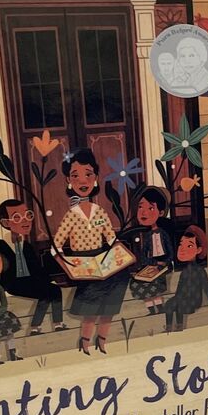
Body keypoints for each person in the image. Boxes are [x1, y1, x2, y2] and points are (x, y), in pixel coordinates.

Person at [52, 148, 129, 355]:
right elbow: (56, 245)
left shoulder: (99, 211)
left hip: (103, 260)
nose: (82, 180)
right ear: (69, 180)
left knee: (109, 306)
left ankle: (102, 341)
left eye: (88, 174)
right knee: (90, 310)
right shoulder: (71, 215)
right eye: (76, 176)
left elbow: (111, 237)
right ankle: (85, 343)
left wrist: (120, 253)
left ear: (95, 178)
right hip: (83, 264)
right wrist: (68, 264)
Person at [0, 199, 67, 334]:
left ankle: (58, 324)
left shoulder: (27, 246)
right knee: (45, 294)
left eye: (28, 215)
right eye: (17, 217)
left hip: (29, 281)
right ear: (5, 223)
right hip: (12, 284)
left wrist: (48, 280)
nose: (25, 221)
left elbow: (36, 268)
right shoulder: (0, 245)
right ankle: (35, 327)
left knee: (54, 290)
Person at [123, 187, 173, 315]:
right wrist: (146, 265)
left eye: (150, 208)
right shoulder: (146, 235)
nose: (144, 212)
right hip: (150, 265)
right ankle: (151, 309)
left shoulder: (163, 233)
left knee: (156, 288)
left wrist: (165, 262)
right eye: (140, 207)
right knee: (141, 285)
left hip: (162, 265)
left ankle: (160, 308)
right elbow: (145, 252)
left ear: (161, 213)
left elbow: (169, 250)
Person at [165, 225, 208, 333]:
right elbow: (180, 285)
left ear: (198, 250)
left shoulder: (199, 270)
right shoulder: (184, 271)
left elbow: (206, 285)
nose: (182, 249)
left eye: (189, 246)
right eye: (181, 244)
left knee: (180, 305)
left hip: (194, 299)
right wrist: (176, 297)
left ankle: (179, 327)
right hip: (182, 297)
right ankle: (169, 327)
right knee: (169, 304)